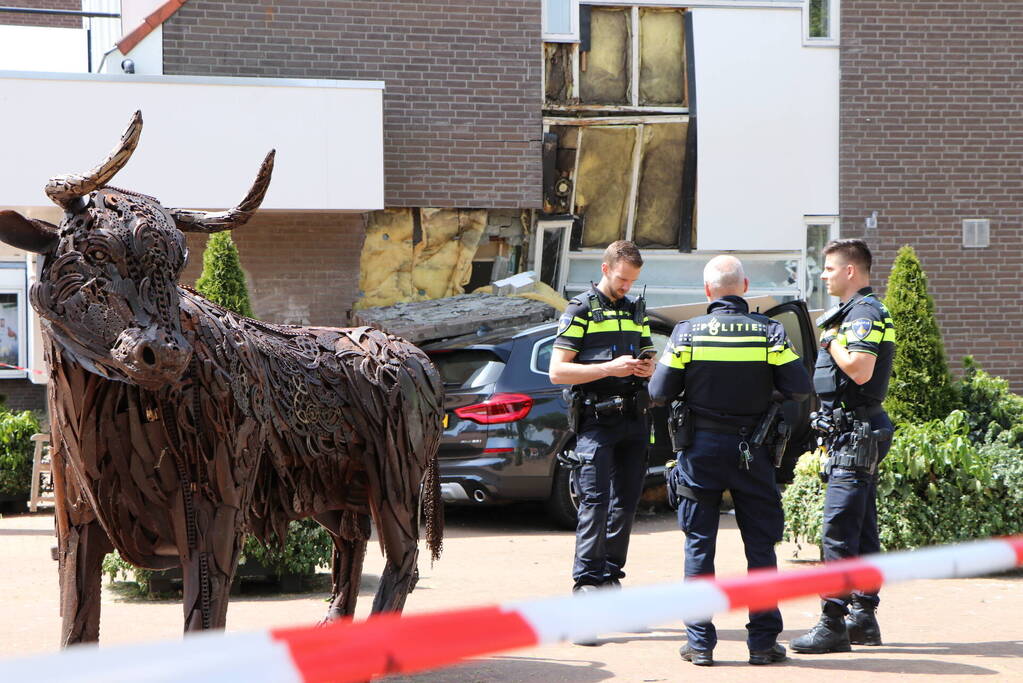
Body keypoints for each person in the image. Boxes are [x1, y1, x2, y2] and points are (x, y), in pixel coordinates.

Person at [649, 255, 810, 667]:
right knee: (759, 546)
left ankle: (700, 644)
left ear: (707, 291)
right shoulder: (770, 333)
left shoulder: (686, 334)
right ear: (744, 286)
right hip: (752, 451)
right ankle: (761, 644)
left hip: (700, 451)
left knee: (699, 545)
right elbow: (798, 387)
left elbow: (659, 391)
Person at [791, 238, 896, 654]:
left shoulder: (863, 315)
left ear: (850, 271)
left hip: (856, 434)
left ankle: (832, 622)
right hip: (854, 432)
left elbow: (859, 369)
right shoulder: (855, 313)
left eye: (829, 268)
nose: (823, 274)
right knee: (863, 526)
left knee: (837, 530)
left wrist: (831, 339)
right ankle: (863, 618)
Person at [549, 240, 655, 614]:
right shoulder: (581, 309)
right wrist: (608, 369)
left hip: (633, 419)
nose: (627, 286)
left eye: (633, 280)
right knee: (594, 503)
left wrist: (646, 367)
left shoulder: (635, 309)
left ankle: (610, 579)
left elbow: (648, 355)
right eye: (623, 278)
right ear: (606, 268)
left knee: (625, 505)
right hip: (596, 421)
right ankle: (587, 585)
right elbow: (558, 370)